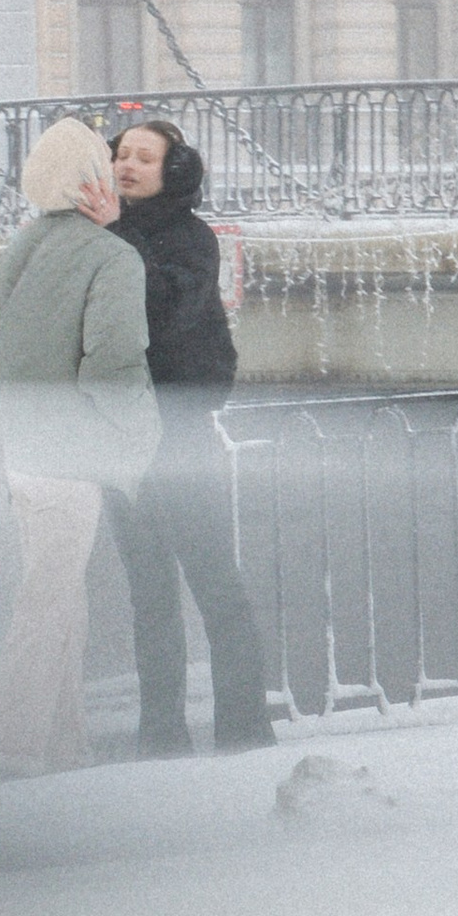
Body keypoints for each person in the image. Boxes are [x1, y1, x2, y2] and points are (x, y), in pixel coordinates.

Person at [0, 115, 157, 777]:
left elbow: (1, 339)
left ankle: (64, 746)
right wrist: (145, 440)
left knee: (63, 601)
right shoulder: (113, 259)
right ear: (94, 178)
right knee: (46, 604)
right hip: (68, 461)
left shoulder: (22, 245)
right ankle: (13, 752)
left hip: (21, 453)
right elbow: (113, 368)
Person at [104, 118, 277, 756]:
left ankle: (244, 726)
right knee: (148, 595)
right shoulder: (103, 233)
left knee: (213, 584)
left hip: (178, 435)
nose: (127, 165)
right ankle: (161, 735)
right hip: (122, 441)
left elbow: (159, 308)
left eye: (143, 157)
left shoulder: (191, 240)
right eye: (121, 154)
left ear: (171, 170)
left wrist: (111, 234)